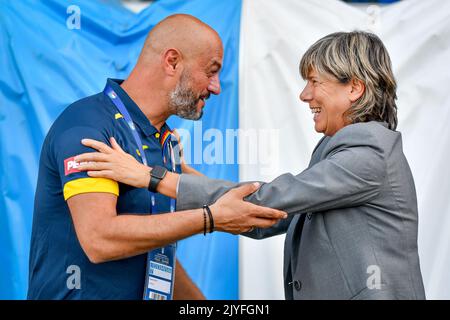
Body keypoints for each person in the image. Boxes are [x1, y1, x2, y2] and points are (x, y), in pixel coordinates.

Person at [75, 31, 426, 300]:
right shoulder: (338, 150)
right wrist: (182, 175)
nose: (304, 95)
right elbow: (266, 218)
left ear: (355, 89)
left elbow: (266, 200)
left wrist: (150, 176)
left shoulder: (369, 151)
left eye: (315, 82)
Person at [28, 14, 287, 300]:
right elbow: (99, 239)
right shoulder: (88, 125)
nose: (216, 87)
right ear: (172, 61)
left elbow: (154, 254)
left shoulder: (164, 140)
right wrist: (209, 219)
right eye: (211, 71)